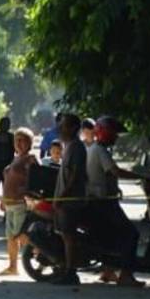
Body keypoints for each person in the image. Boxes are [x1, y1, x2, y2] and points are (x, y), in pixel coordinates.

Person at [85, 116, 144, 287]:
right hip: (102, 203)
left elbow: (108, 175)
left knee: (110, 236)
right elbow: (116, 171)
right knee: (131, 234)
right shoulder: (100, 151)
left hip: (101, 200)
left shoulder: (97, 149)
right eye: (114, 134)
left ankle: (108, 270)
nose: (116, 137)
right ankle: (126, 274)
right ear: (106, 133)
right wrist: (141, 177)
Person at [52, 113, 87, 284]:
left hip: (71, 201)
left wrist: (63, 196)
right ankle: (64, 267)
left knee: (69, 236)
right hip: (65, 200)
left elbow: (74, 175)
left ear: (73, 128)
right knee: (65, 235)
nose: (61, 128)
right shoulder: (69, 146)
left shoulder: (77, 147)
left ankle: (70, 272)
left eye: (64, 125)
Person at [0, 127, 38, 275]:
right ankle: (12, 266)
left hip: (21, 204)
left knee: (22, 236)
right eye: (17, 140)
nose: (20, 143)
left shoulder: (30, 159)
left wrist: (26, 192)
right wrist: (2, 199)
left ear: (30, 143)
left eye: (23, 140)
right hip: (9, 204)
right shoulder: (16, 159)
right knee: (11, 237)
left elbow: (36, 180)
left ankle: (41, 258)